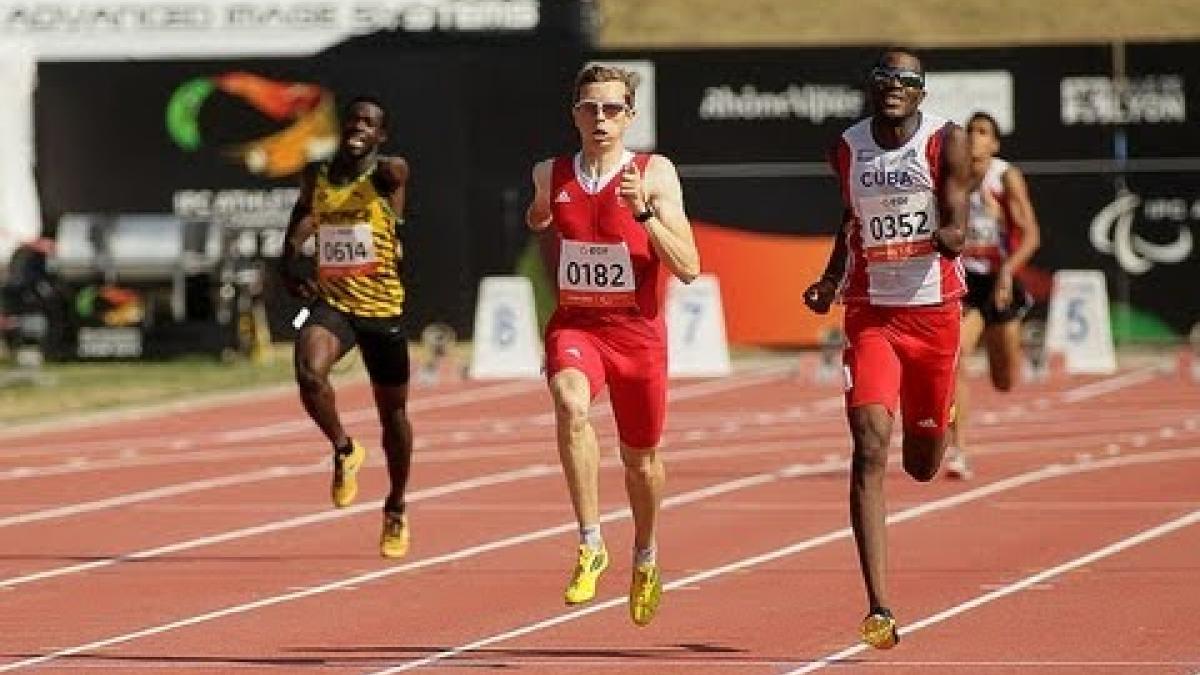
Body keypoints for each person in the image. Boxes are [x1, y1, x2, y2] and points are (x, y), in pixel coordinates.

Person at [804, 49, 971, 649]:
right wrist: (828, 280)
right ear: (871, 88)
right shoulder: (846, 147)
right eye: (885, 78)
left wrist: (945, 237)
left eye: (908, 81)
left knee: (921, 464)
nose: (895, 87)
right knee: (869, 445)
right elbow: (849, 220)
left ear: (921, 94)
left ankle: (940, 418)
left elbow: (958, 221)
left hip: (934, 316)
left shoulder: (944, 142)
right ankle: (879, 606)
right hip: (872, 314)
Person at [525, 64, 700, 626]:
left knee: (641, 462)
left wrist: (642, 212)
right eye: (588, 108)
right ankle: (590, 540)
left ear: (629, 115)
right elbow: (539, 215)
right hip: (578, 326)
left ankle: (645, 555)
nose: (599, 119)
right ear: (573, 113)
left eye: (611, 109)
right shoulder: (549, 172)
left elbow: (690, 267)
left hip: (637, 336)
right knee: (570, 403)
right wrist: (539, 212)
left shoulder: (654, 173)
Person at [279, 95, 415, 559]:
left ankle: (395, 506)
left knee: (393, 415)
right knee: (308, 371)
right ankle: (344, 449)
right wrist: (290, 263)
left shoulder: (386, 176)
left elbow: (396, 170)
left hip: (382, 309)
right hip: (334, 304)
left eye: (370, 123)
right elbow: (301, 218)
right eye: (354, 120)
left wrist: (382, 163)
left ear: (380, 135)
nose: (359, 126)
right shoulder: (318, 176)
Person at [943, 111, 1041, 479]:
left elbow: (1031, 234)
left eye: (983, 132)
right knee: (956, 357)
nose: (974, 137)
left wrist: (1007, 269)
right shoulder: (952, 177)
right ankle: (959, 450)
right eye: (970, 131)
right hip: (964, 280)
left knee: (1004, 381)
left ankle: (1015, 354)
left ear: (995, 143)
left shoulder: (1005, 177)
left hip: (999, 280)